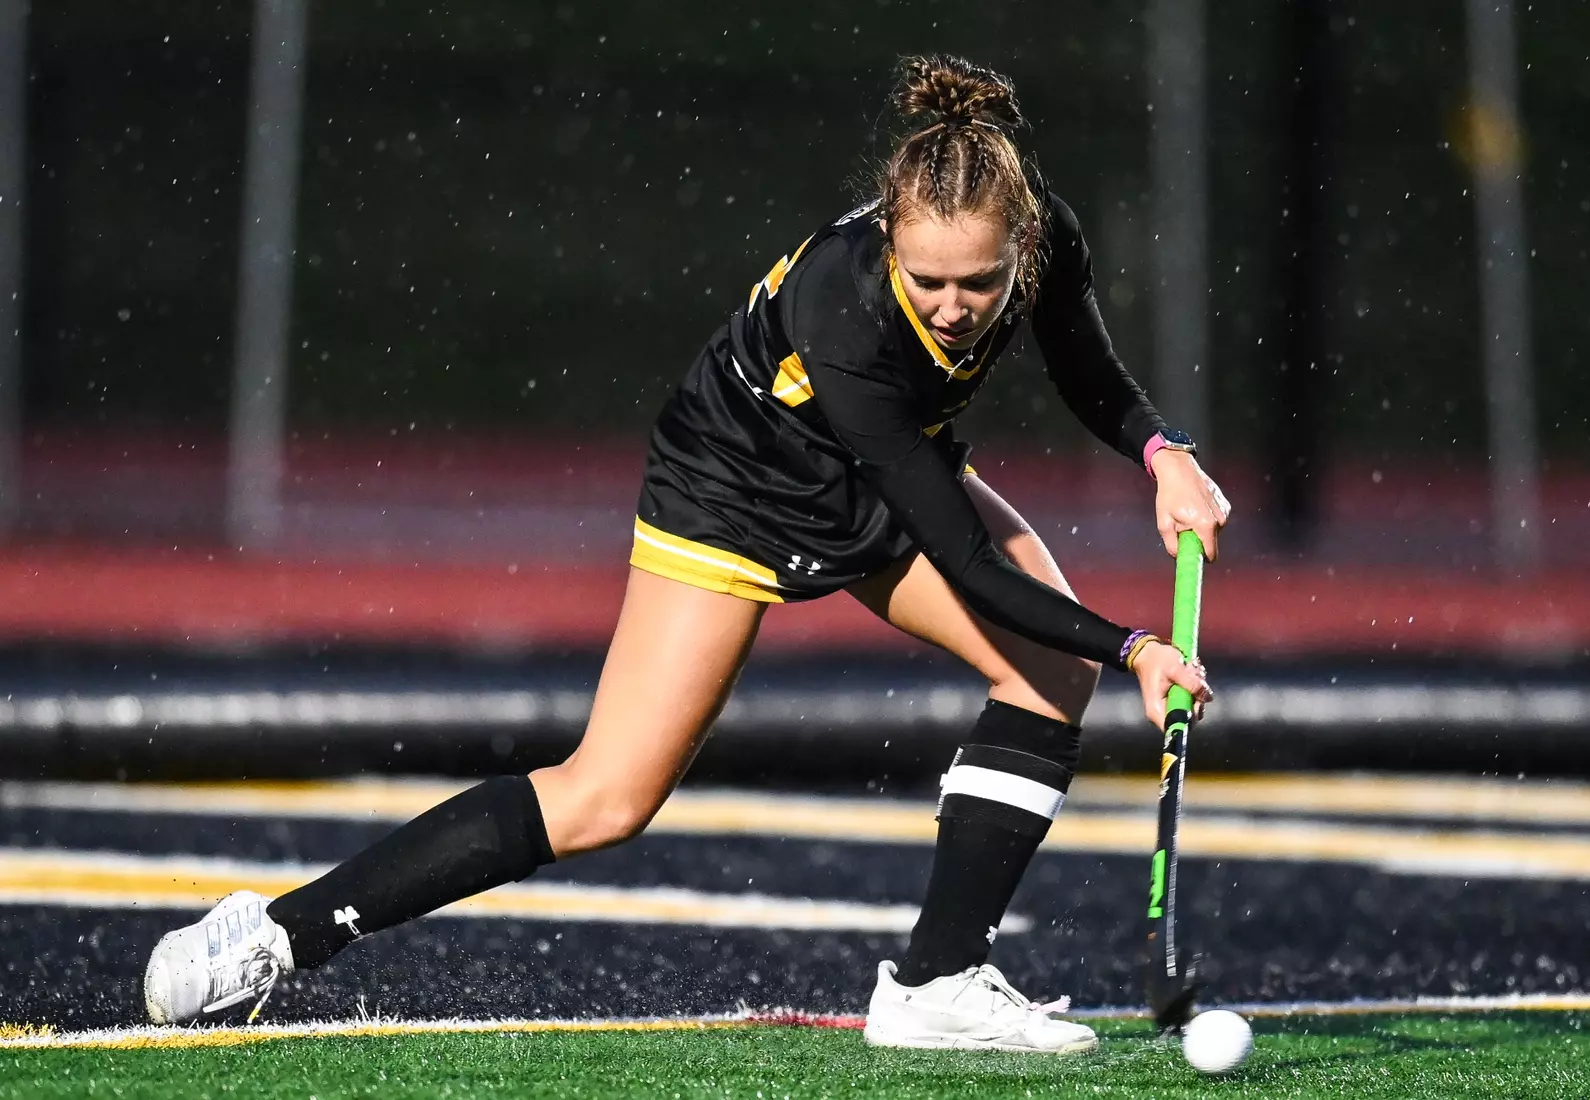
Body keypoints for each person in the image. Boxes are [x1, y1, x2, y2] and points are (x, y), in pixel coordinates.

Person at [143, 53, 1230, 1054]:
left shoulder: (1042, 238)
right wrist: (1136, 641)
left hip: (870, 472)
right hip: (735, 482)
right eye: (928, 280)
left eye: (979, 286)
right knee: (606, 795)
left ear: (1021, 249)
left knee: (1048, 668)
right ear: (890, 239)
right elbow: (959, 555)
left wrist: (1160, 452)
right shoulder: (843, 311)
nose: (953, 308)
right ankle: (278, 933)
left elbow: (1085, 364)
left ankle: (936, 979)